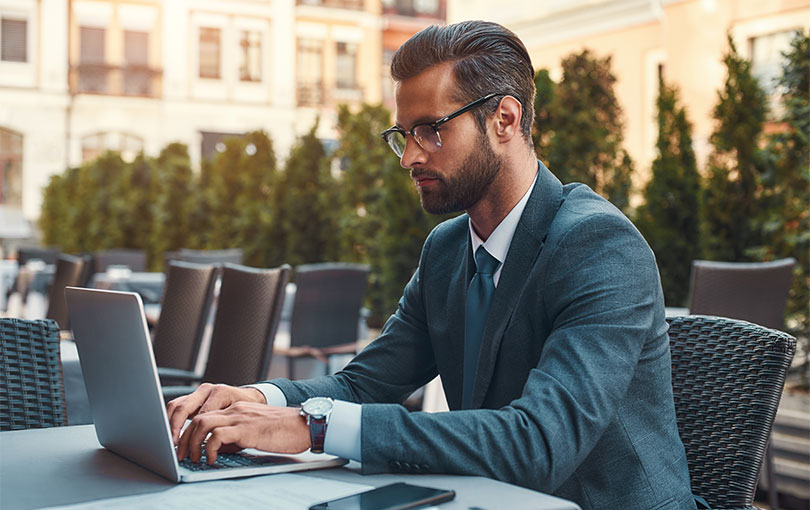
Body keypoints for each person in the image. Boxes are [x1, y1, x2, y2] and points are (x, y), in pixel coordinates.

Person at [168, 20, 696, 509]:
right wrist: (257, 399)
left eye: (431, 129)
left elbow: (538, 443)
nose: (410, 157)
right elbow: (363, 386)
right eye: (403, 134)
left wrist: (315, 427)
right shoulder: (447, 249)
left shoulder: (599, 246)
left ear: (504, 119)